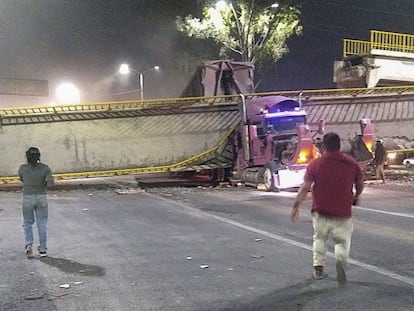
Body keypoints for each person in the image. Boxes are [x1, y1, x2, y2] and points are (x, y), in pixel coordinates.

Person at [290, 132, 364, 283]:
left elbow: (305, 187)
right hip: (343, 212)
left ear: (323, 146)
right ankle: (341, 262)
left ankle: (318, 268)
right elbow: (360, 182)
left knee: (320, 239)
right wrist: (356, 195)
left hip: (321, 211)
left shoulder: (315, 164)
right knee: (342, 242)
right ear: (339, 146)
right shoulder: (351, 164)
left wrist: (296, 205)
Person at [18, 147, 54, 258]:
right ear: (39, 156)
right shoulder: (45, 168)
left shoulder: (22, 168)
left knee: (27, 222)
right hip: (41, 197)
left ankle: (28, 245)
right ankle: (43, 249)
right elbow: (50, 184)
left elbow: (22, 179)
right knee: (42, 224)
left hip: (27, 197)